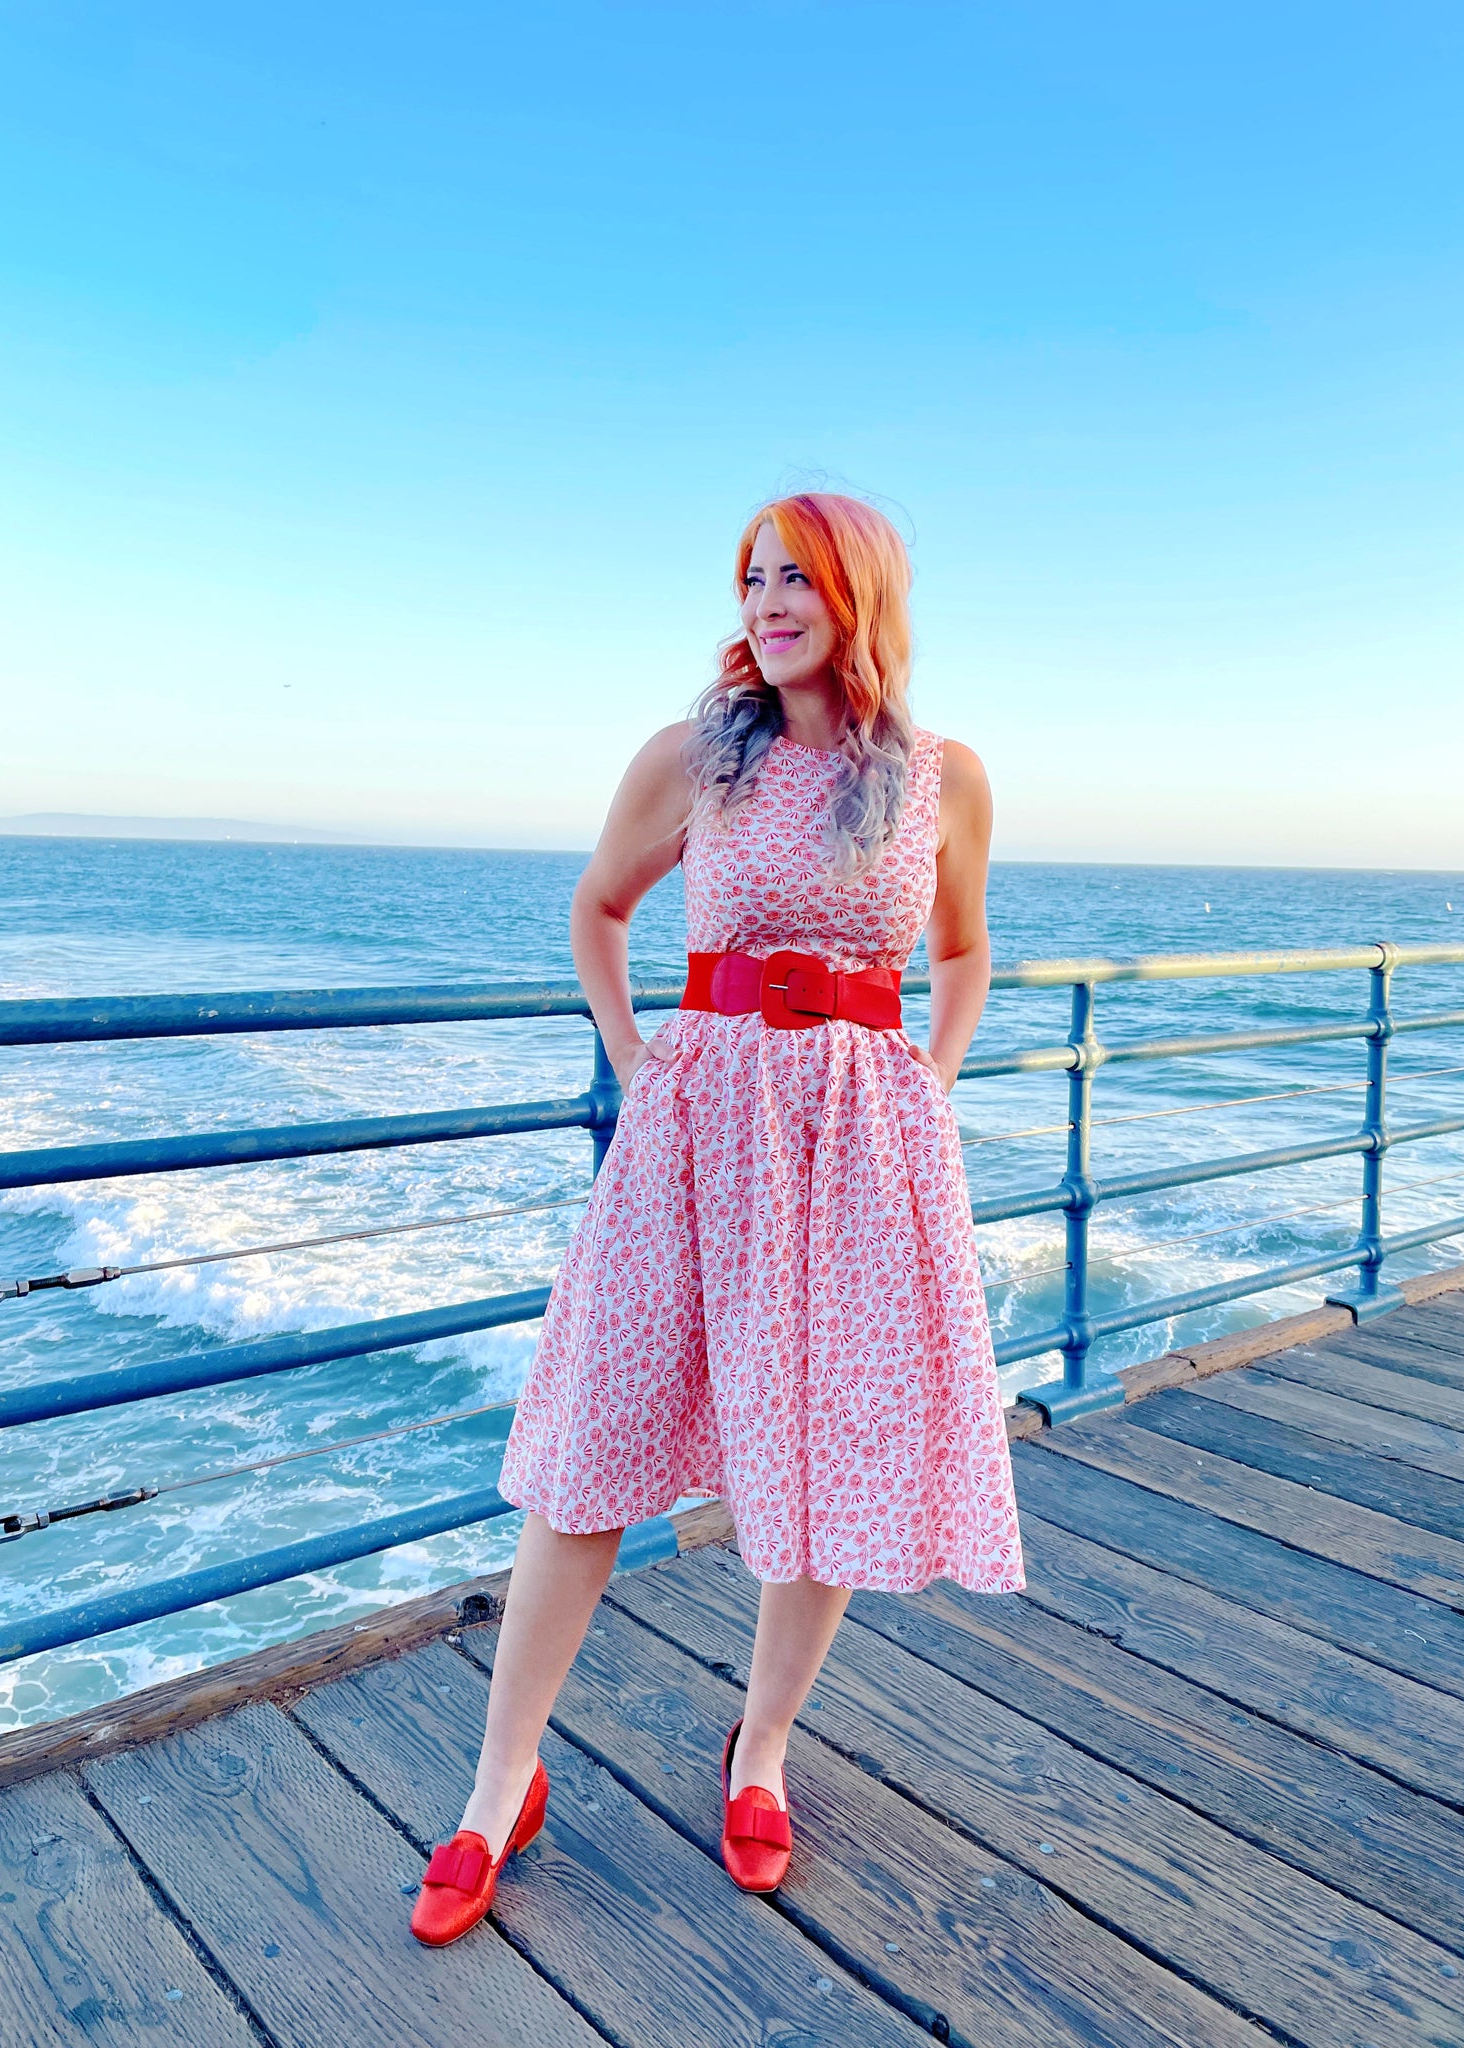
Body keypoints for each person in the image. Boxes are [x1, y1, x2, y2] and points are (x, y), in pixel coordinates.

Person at [410, 491, 1025, 1945]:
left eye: (796, 578)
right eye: (752, 579)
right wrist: (634, 1059)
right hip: (695, 1131)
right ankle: (501, 1785)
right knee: (591, 1455)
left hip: (860, 1151)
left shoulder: (944, 775)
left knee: (819, 1461)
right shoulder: (694, 757)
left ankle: (760, 1748)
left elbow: (966, 948)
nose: (767, 602)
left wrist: (924, 1088)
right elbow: (600, 908)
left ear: (859, 596)